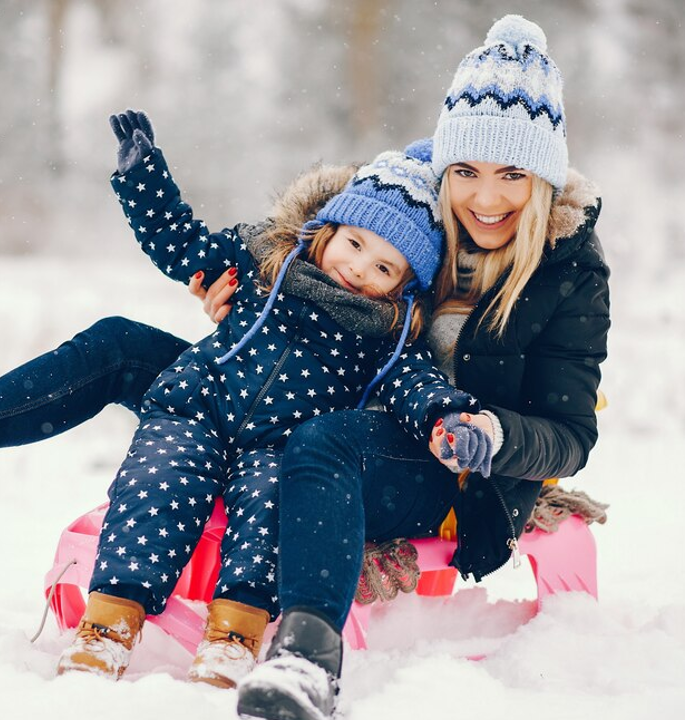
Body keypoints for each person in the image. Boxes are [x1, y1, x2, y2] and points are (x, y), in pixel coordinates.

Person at [0, 111, 491, 686]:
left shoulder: (387, 336)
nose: (357, 269)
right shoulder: (265, 262)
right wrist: (143, 178)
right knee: (150, 465)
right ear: (328, 229)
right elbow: (180, 244)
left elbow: (416, 387)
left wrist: (447, 419)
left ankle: (235, 634)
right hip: (197, 404)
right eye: (354, 245)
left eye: (383, 268)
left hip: (286, 446)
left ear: (403, 284)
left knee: (268, 506)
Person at [231, 15, 611, 720]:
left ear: (543, 176)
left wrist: (493, 434)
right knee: (138, 354)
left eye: (512, 175)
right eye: (465, 171)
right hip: (330, 404)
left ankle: (305, 660)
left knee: (324, 445)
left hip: (457, 471)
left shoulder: (569, 272)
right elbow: (309, 253)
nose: (487, 198)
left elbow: (570, 433)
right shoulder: (418, 220)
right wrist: (246, 291)